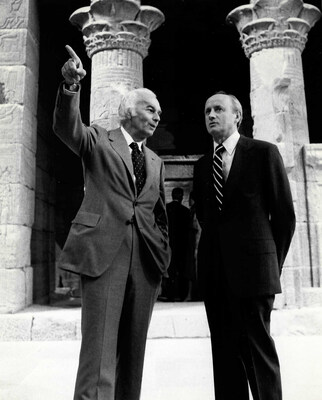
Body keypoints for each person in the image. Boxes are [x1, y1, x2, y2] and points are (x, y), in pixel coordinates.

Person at [53, 45, 171, 400]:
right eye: (150, 109)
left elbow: (160, 214)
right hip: (105, 255)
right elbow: (66, 128)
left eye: (159, 112)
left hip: (145, 262)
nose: (156, 117)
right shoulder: (98, 139)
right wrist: (70, 87)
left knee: (133, 357)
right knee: (99, 354)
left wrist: (162, 252)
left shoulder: (156, 161)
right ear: (129, 111)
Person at [193, 91, 296, 400]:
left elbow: (284, 217)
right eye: (207, 110)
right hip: (215, 276)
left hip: (255, 276)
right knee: (224, 358)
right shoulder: (201, 166)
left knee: (258, 355)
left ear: (237, 116)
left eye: (219, 109)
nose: (211, 115)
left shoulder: (263, 153)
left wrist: (269, 266)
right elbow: (206, 220)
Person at [163, 187, 190, 301]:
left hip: (169, 243)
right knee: (182, 269)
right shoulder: (186, 211)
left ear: (172, 196)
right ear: (182, 197)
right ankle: (181, 294)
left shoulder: (166, 209)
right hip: (182, 245)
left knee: (170, 269)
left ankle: (170, 294)